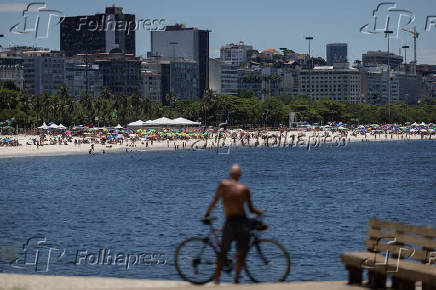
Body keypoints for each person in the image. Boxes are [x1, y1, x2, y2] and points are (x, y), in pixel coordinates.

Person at [203, 164, 263, 284]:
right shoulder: (244, 189)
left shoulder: (223, 185)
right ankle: (236, 280)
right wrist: (260, 211)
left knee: (223, 251)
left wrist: (206, 214)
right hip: (242, 222)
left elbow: (214, 201)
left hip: (229, 222)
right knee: (241, 252)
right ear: (240, 175)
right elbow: (251, 210)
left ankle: (216, 280)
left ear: (230, 174)